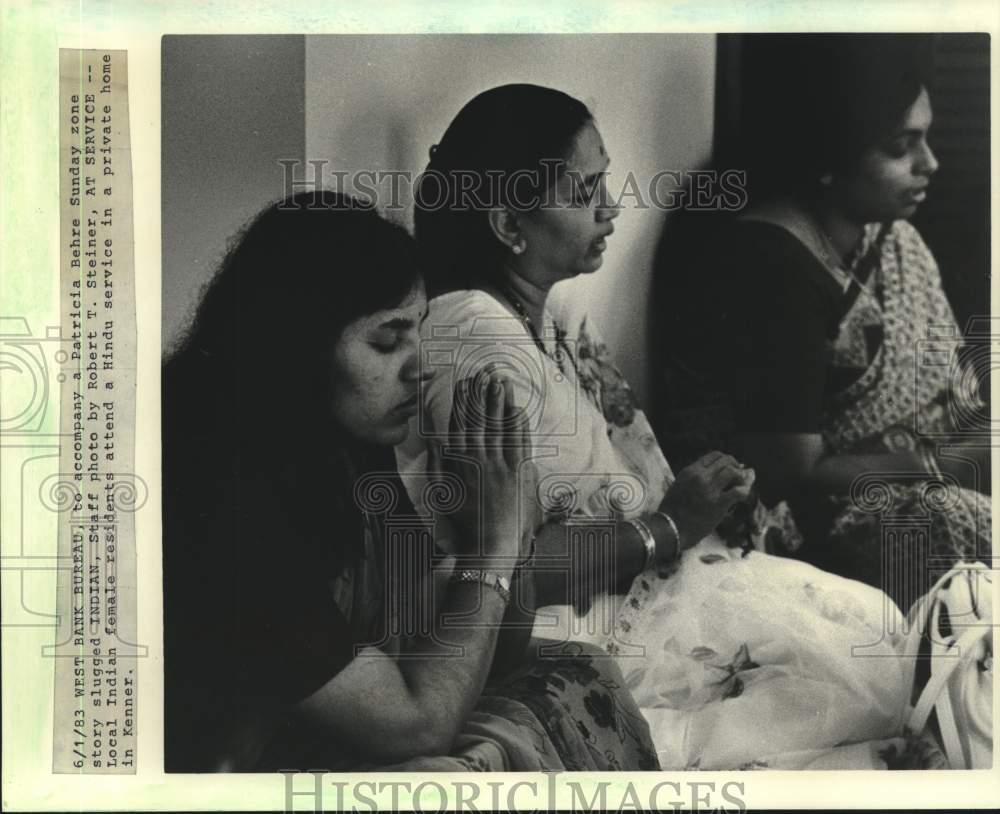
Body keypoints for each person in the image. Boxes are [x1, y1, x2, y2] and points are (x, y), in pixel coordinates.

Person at [397, 84, 933, 770]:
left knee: (883, 628)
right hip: (581, 627)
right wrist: (673, 526)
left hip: (640, 584)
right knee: (864, 682)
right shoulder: (474, 339)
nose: (610, 207)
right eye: (586, 189)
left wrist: (698, 508)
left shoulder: (535, 322)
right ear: (509, 226)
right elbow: (509, 566)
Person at [162, 191, 660, 772]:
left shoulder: (346, 442)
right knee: (449, 775)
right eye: (386, 340)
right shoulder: (225, 490)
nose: (420, 366)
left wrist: (513, 519)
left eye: (419, 331)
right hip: (216, 768)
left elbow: (486, 652)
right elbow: (415, 726)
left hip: (337, 716)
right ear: (294, 348)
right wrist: (493, 547)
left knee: (578, 669)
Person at [656, 35, 991, 612]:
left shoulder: (886, 235)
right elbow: (786, 474)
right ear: (830, 158)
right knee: (958, 522)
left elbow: (952, 386)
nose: (929, 163)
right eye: (900, 146)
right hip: (797, 523)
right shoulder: (775, 264)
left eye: (926, 139)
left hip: (889, 470)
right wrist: (942, 465)